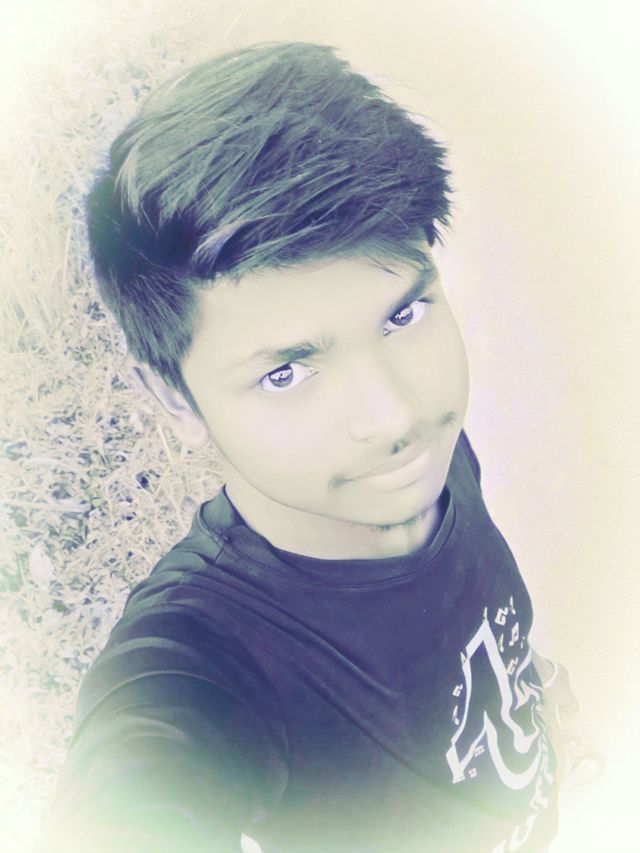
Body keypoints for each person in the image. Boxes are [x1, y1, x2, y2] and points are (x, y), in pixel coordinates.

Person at [45, 41, 580, 852]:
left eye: (402, 315)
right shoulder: (201, 665)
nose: (392, 415)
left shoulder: (433, 458)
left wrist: (528, 693)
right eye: (287, 373)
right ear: (174, 398)